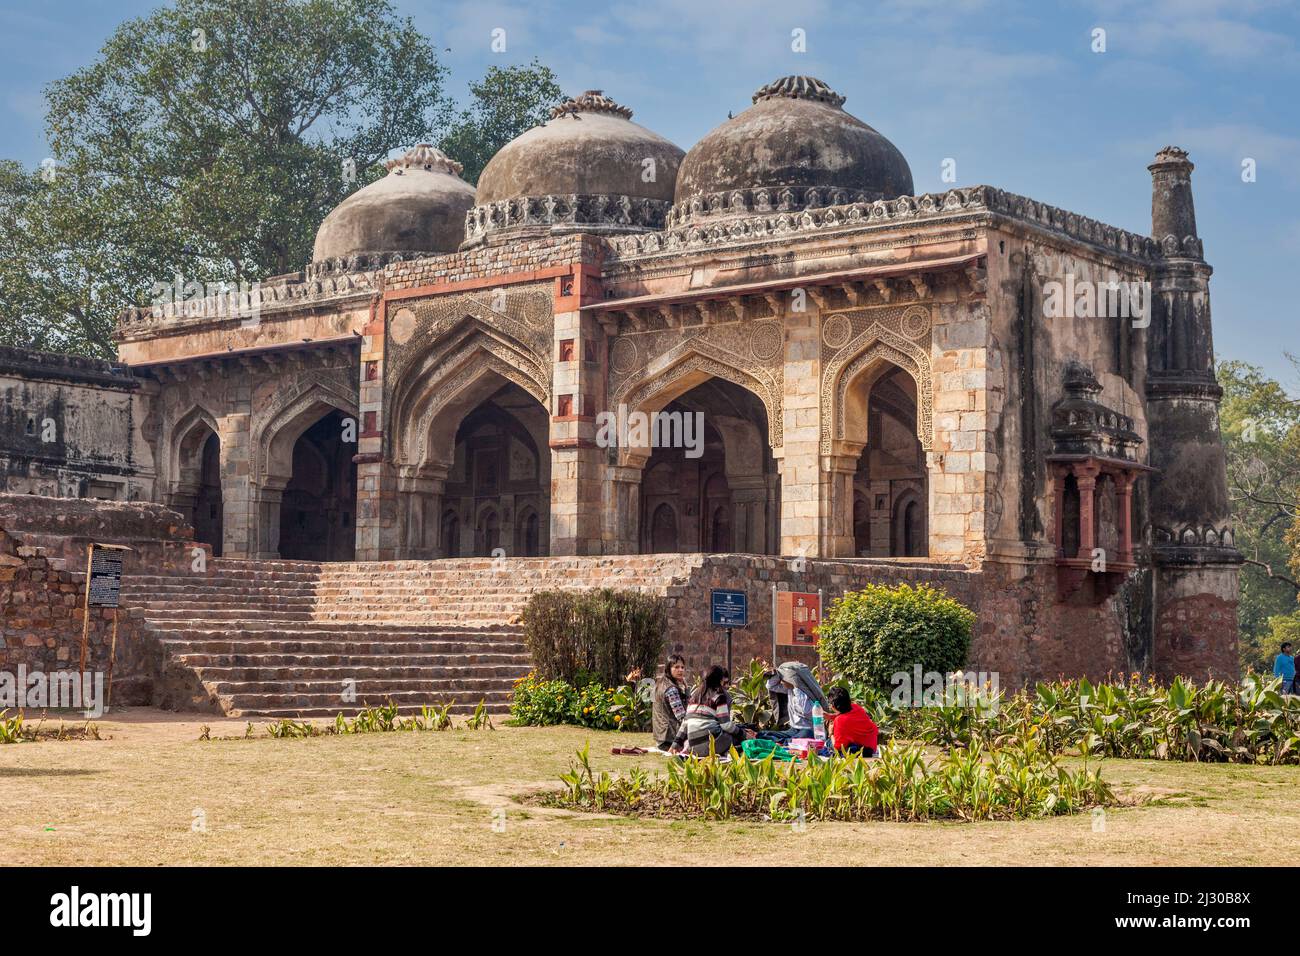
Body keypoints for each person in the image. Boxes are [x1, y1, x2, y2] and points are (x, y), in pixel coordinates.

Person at [671, 666, 753, 757]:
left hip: (694, 747)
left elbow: (685, 723)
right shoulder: (719, 696)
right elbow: (726, 725)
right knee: (738, 738)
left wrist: (674, 745)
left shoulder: (695, 696)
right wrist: (745, 734)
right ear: (719, 680)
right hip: (712, 744)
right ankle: (730, 752)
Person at [759, 661, 829, 744]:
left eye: (783, 679)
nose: (781, 681)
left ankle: (783, 743)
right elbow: (770, 686)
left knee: (792, 742)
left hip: (808, 730)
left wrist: (795, 686)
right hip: (794, 729)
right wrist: (777, 673)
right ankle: (780, 741)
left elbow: (806, 711)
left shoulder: (804, 693)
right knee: (763, 734)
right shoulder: (789, 689)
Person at [826, 685, 878, 756]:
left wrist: (831, 733)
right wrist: (831, 716)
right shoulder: (856, 707)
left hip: (859, 750)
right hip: (870, 746)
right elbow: (847, 715)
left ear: (833, 706)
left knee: (829, 743)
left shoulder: (839, 720)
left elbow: (837, 748)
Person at [652, 654, 689, 751]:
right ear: (669, 668)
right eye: (676, 667)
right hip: (670, 739)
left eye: (682, 667)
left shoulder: (660, 683)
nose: (680, 670)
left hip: (661, 737)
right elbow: (682, 717)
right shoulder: (671, 689)